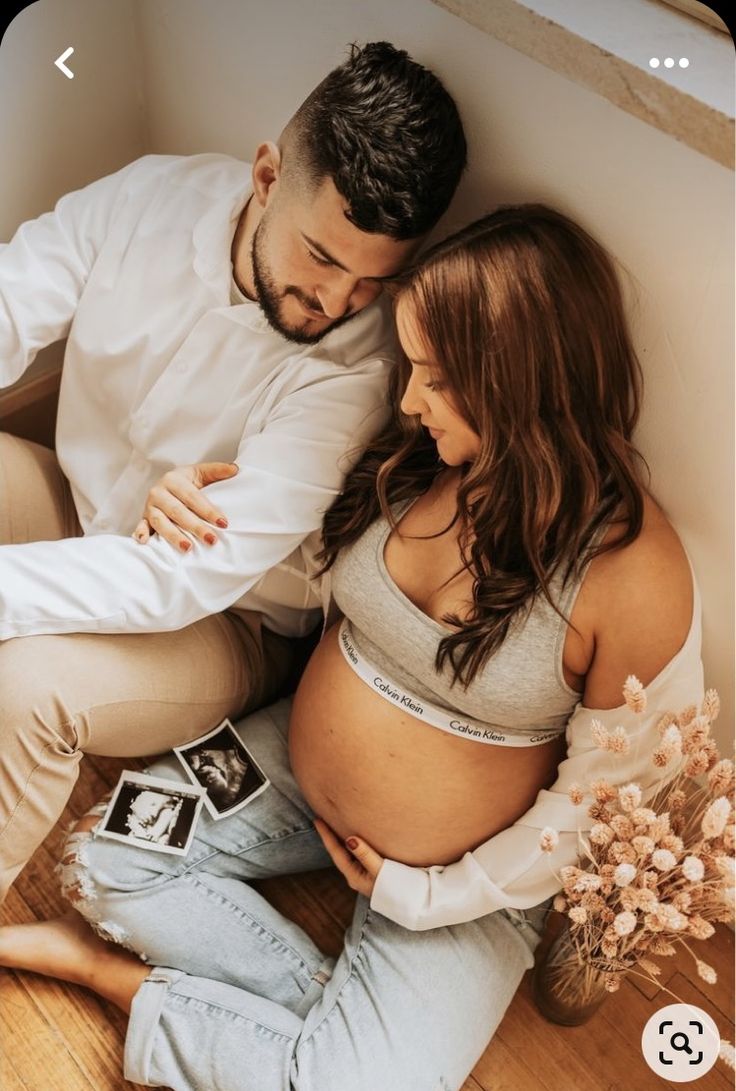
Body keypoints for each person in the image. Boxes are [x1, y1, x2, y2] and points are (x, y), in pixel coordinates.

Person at [0, 206, 704, 1090]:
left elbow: (610, 796)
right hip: (295, 773)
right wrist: (178, 496)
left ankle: (119, 978)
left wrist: (435, 894)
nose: (410, 399)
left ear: (525, 383)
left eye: (438, 379)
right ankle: (340, 1037)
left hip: (466, 883)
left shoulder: (634, 571)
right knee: (102, 858)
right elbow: (290, 549)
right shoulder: (414, 457)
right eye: (413, 369)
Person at [0, 41, 467, 900]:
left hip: (222, 624)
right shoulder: (149, 195)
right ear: (264, 177)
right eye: (323, 257)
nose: (336, 302)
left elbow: (183, 576)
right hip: (81, 505)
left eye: (375, 280)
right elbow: (9, 299)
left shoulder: (358, 366)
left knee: (23, 685)